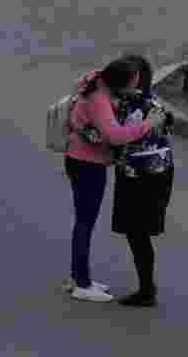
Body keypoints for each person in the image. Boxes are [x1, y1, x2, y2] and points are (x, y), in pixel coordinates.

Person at [63, 58, 168, 302]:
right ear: (120, 82)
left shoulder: (95, 80)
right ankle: (81, 283)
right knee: (85, 223)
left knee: (83, 222)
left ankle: (79, 276)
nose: (136, 87)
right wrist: (147, 124)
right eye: (133, 83)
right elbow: (116, 136)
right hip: (88, 164)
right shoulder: (100, 99)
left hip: (78, 158)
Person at [109, 54, 175, 307]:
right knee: (138, 234)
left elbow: (118, 138)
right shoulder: (151, 101)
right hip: (156, 173)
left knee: (137, 234)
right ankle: (147, 287)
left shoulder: (134, 106)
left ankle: (147, 290)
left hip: (140, 178)